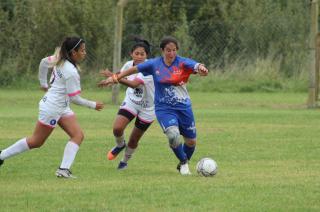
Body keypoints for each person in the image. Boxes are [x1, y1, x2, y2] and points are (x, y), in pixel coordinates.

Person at [99, 36, 208, 175]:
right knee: (173, 135)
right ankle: (184, 163)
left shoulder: (181, 62)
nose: (172, 53)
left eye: (174, 50)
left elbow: (195, 65)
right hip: (163, 108)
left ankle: (182, 161)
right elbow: (133, 70)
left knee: (191, 142)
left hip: (180, 107)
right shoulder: (154, 65)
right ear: (162, 50)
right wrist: (115, 77)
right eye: (168, 50)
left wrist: (201, 68)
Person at [0, 37, 104, 178]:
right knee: (36, 141)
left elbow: (43, 62)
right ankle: (1, 155)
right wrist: (93, 105)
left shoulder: (59, 58)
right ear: (73, 52)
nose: (85, 53)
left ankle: (63, 170)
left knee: (77, 135)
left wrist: (44, 84)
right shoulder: (71, 72)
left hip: (61, 107)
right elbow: (75, 98)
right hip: (52, 108)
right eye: (82, 50)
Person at [100, 37, 155, 170]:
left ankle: (124, 161)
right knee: (117, 128)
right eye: (137, 53)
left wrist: (113, 76)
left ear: (147, 56)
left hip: (148, 107)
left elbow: (134, 84)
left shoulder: (148, 68)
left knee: (134, 139)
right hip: (131, 102)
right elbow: (120, 75)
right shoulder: (128, 64)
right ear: (131, 54)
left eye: (142, 54)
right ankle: (119, 145)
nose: (139, 56)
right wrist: (110, 79)